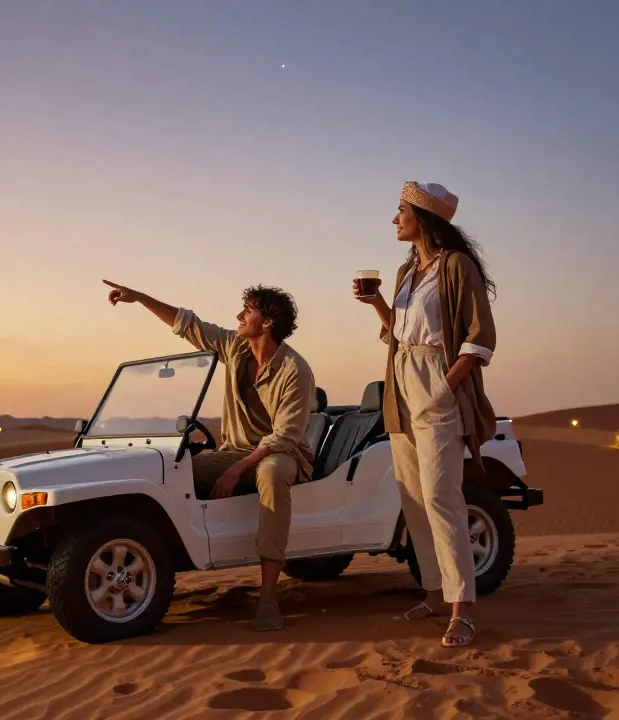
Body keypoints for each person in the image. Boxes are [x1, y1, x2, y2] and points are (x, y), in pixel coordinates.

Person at [102, 279, 316, 632]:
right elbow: (187, 323)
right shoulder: (235, 348)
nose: (239, 316)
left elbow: (284, 436)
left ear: (268, 322)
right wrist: (139, 298)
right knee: (174, 469)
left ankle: (267, 598)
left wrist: (236, 471)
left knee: (272, 475)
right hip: (235, 451)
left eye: (248, 311)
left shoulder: (295, 371)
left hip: (283, 453)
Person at [352, 181, 498, 648]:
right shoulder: (405, 271)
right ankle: (433, 594)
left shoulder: (456, 267)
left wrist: (443, 386)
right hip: (401, 382)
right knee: (414, 499)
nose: (394, 219)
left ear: (424, 217)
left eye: (401, 211)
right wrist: (377, 303)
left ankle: (463, 609)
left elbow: (479, 338)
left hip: (437, 383)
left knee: (442, 496)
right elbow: (400, 331)